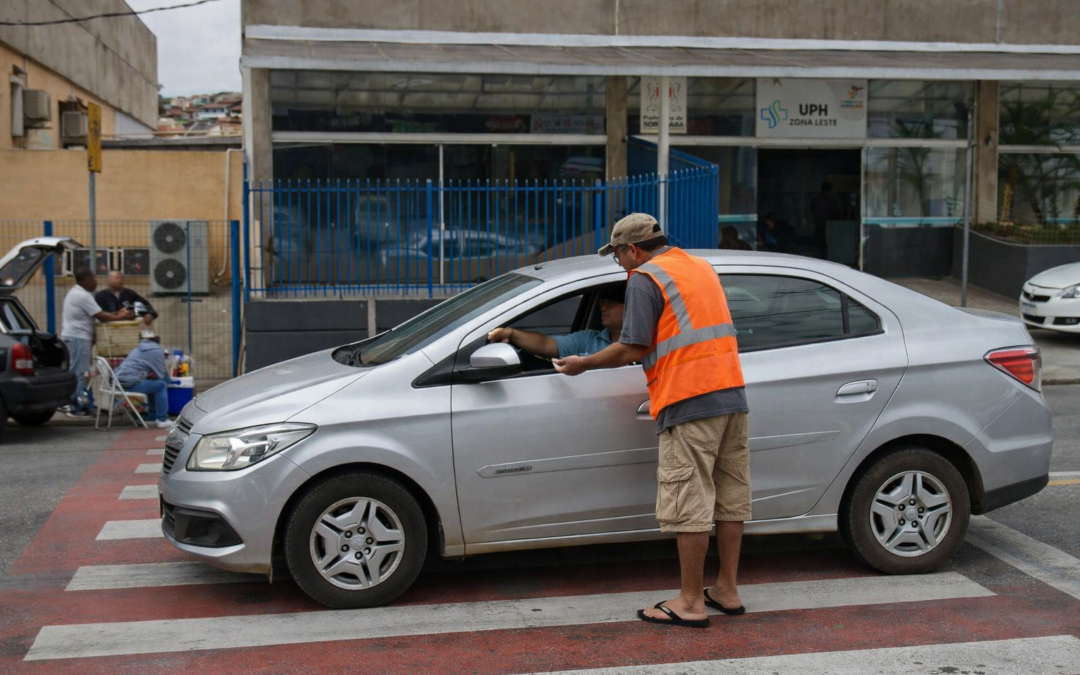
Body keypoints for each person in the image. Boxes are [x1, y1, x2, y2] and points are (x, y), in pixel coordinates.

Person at [554, 213, 750, 629]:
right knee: (729, 496)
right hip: (732, 395)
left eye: (618, 256)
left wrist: (583, 363)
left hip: (689, 400)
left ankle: (691, 602)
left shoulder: (645, 278)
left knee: (690, 501)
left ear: (633, 249)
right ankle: (726, 590)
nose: (621, 265)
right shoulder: (698, 266)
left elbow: (632, 345)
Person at [60, 268, 135, 417]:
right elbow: (101, 316)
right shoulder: (82, 295)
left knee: (80, 371)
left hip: (76, 337)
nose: (96, 282)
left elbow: (100, 313)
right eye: (94, 279)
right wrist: (121, 317)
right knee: (78, 372)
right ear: (87, 280)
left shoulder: (77, 292)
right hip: (78, 338)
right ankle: (76, 405)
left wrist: (118, 314)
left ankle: (82, 403)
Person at [487, 286, 625, 359]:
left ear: (631, 306)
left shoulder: (643, 343)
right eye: (601, 302)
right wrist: (510, 333)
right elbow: (545, 344)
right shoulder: (588, 339)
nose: (603, 307)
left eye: (611, 303)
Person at [113, 329, 175, 429]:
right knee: (160, 385)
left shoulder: (138, 348)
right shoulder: (157, 351)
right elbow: (160, 375)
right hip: (129, 384)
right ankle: (162, 419)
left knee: (154, 384)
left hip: (118, 381)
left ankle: (152, 415)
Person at [810, 182, 843, 259]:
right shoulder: (833, 198)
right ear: (830, 189)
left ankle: (821, 255)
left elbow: (812, 211)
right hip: (830, 224)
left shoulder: (816, 198)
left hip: (819, 223)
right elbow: (837, 211)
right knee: (828, 242)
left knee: (819, 241)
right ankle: (826, 256)